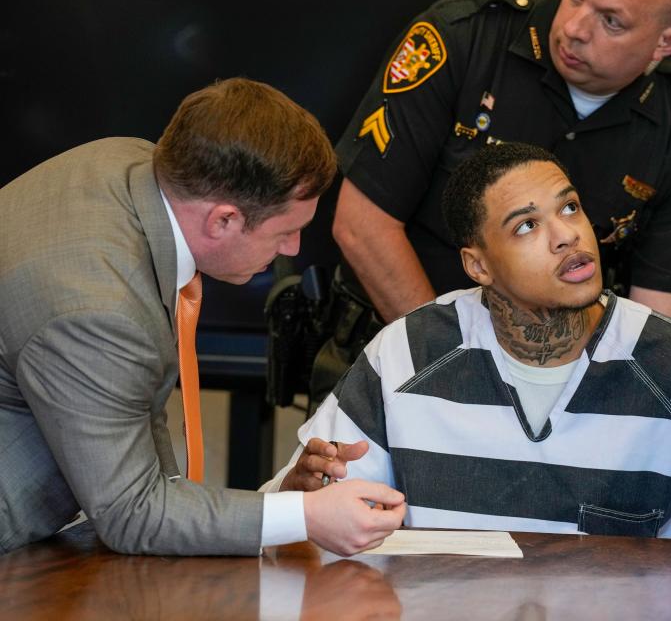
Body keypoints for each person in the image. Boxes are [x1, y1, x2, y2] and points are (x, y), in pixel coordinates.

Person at [264, 143, 671, 538]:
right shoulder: (404, 353)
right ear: (477, 265)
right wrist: (299, 497)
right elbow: (303, 509)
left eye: (569, 208)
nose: (566, 235)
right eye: (527, 225)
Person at [0, 78, 405, 556]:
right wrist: (305, 518)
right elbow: (133, 513)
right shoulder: (98, 311)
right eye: (287, 231)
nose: (292, 249)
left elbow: (140, 450)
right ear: (223, 220)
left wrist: (282, 502)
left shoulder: (128, 163)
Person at [331, 0, 671, 330]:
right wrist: (449, 368)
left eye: (611, 22)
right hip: (402, 340)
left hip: (561, 377)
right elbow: (362, 226)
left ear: (666, 43)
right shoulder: (465, 36)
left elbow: (660, 321)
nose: (574, 29)